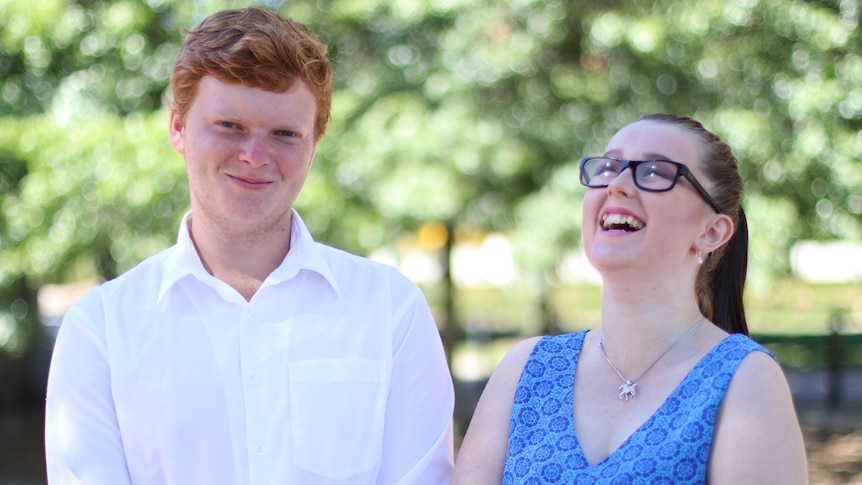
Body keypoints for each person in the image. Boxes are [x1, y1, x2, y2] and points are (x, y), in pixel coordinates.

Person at [44, 7, 454, 484]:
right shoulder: (101, 332)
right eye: (229, 126)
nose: (255, 156)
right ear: (178, 128)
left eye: (284, 134)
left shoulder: (391, 311)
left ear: (314, 144)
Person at [451, 114, 807, 484]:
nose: (617, 185)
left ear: (712, 231)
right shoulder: (525, 370)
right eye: (608, 167)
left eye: (654, 171)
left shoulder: (744, 379)